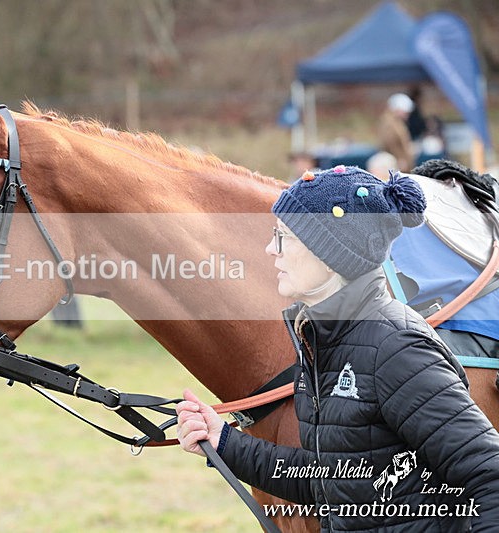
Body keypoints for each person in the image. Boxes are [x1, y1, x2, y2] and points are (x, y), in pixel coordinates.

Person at [177, 165, 499, 531]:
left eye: (285, 237)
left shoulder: (397, 348)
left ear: (329, 254)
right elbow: (334, 480)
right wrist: (224, 442)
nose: (270, 249)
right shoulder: (323, 342)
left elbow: (489, 478)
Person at [377, 93, 415, 172]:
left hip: (400, 163)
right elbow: (390, 142)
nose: (407, 115)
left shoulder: (396, 122)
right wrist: (399, 159)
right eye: (406, 112)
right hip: (396, 164)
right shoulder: (389, 123)